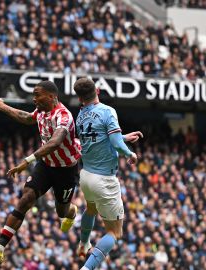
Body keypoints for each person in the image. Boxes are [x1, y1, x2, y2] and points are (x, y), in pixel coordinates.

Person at [0, 80, 82, 264]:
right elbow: (27, 118)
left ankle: (71, 212)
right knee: (25, 199)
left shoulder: (63, 116)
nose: (34, 99)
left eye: (38, 95)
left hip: (66, 170)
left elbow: (55, 142)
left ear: (51, 97)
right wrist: (3, 107)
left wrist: (27, 161)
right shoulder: (42, 111)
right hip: (46, 165)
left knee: (62, 211)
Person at [72, 78, 142, 270]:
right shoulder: (107, 111)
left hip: (86, 175)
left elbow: (101, 138)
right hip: (104, 178)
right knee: (114, 232)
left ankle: (84, 243)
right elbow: (116, 144)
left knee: (91, 208)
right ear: (98, 90)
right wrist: (130, 153)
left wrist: (123, 136)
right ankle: (87, 268)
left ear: (79, 98)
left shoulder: (80, 115)